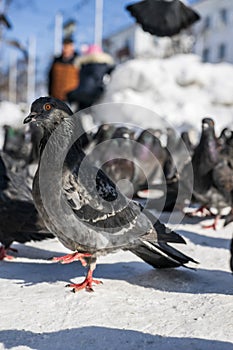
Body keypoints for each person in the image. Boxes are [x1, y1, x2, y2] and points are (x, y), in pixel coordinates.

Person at [67, 44, 115, 111]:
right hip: (95, 92)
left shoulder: (83, 66)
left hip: (80, 93)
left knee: (78, 106)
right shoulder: (104, 66)